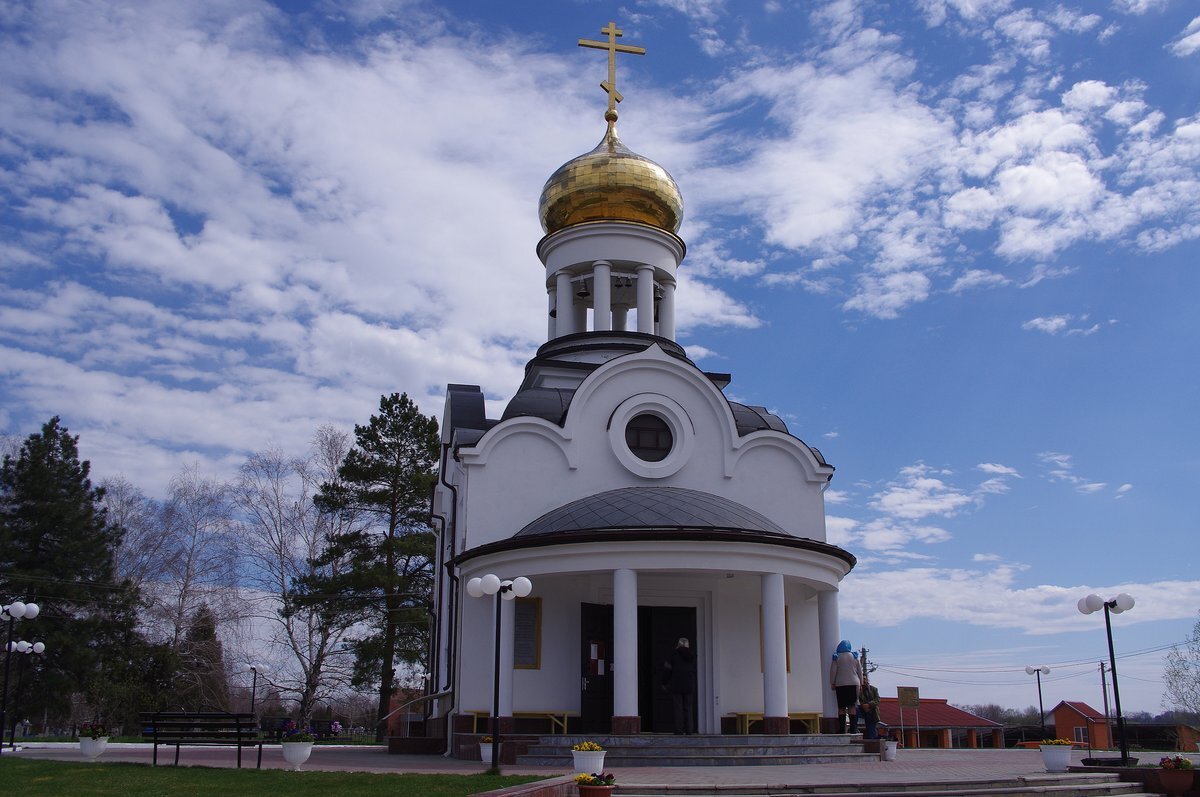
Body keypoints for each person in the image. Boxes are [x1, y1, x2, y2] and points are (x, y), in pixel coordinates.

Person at [661, 637, 697, 734]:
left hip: (676, 685)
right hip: (689, 686)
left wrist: (664, 683)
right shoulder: (692, 657)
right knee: (688, 708)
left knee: (678, 709)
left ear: (678, 645)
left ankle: (679, 730)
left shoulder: (673, 656)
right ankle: (689, 730)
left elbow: (667, 671)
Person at [829, 639, 862, 733]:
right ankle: (853, 728)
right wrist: (861, 682)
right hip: (854, 683)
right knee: (852, 706)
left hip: (841, 684)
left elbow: (833, 671)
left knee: (841, 707)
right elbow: (860, 671)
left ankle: (842, 729)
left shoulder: (837, 657)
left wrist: (832, 682)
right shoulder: (854, 656)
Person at [858, 670, 880, 740]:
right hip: (861, 710)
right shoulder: (857, 689)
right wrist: (863, 706)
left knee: (871, 722)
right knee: (854, 711)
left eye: (864, 679)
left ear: (867, 680)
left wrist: (869, 705)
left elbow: (877, 700)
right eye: (862, 679)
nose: (863, 681)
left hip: (871, 710)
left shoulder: (874, 689)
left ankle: (873, 738)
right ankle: (854, 729)